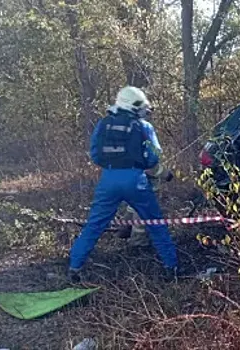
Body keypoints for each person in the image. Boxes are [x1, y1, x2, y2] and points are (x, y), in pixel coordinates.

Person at [68, 86, 180, 282]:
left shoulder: (104, 124)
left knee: (94, 225)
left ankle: (74, 268)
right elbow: (153, 158)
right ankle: (172, 268)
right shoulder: (143, 126)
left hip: (108, 178)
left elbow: (95, 154)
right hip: (135, 180)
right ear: (135, 106)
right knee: (155, 223)